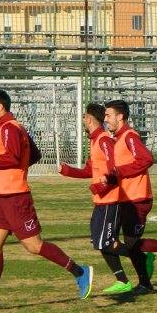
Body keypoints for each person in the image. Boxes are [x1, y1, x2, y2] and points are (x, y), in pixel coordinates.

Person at [0, 89, 93, 310]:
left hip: (16, 197)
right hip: (3, 198)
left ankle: (80, 272)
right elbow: (34, 155)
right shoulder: (16, 128)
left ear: (0, 107)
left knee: (34, 246)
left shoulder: (8, 129)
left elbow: (13, 156)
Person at [102, 100, 157, 292]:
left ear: (120, 116)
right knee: (121, 242)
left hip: (138, 198)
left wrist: (119, 171)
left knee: (132, 244)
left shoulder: (129, 136)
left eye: (108, 115)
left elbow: (146, 159)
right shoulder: (117, 138)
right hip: (125, 198)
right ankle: (145, 281)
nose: (105, 119)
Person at [58, 103, 135, 294]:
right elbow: (89, 171)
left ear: (89, 119)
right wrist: (68, 171)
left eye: (84, 117)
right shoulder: (94, 141)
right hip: (101, 200)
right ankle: (122, 280)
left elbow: (113, 170)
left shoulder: (103, 140)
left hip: (110, 200)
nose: (83, 121)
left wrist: (100, 186)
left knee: (106, 242)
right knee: (99, 241)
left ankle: (142, 257)